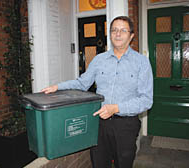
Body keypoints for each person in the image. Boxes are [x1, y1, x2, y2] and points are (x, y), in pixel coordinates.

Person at [42, 16, 153, 168]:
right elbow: (82, 83)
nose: (118, 34)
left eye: (123, 30)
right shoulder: (99, 59)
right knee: (99, 163)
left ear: (131, 35)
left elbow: (146, 100)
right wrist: (58, 87)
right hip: (99, 123)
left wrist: (116, 108)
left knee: (124, 164)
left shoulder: (142, 62)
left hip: (126, 125)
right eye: (114, 30)